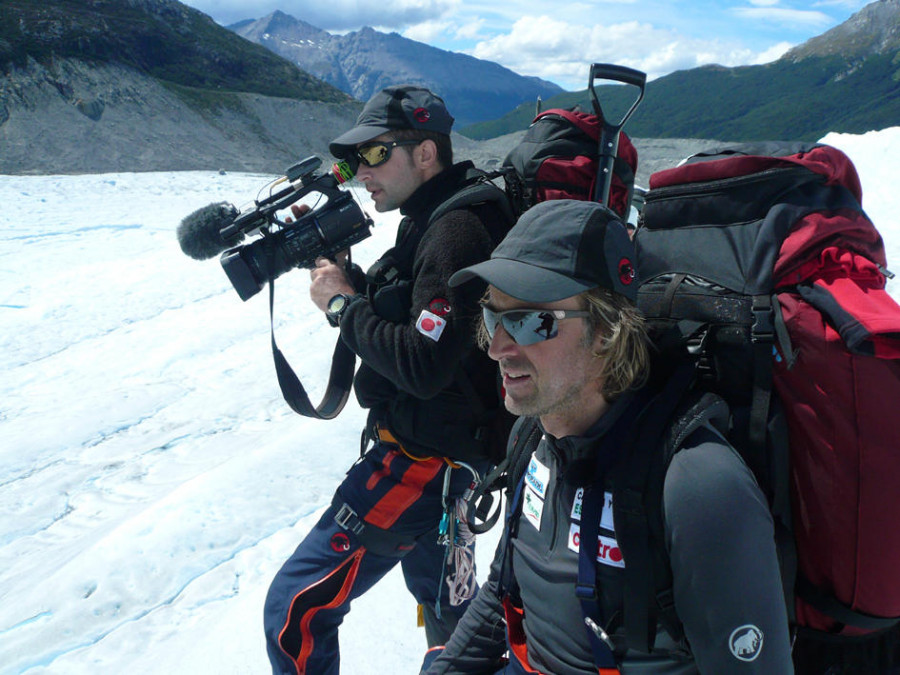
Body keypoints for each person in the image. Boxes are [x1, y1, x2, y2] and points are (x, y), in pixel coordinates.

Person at [424, 199, 793, 674]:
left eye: (531, 321)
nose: (496, 347)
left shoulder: (696, 485)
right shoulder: (531, 439)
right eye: (494, 317)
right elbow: (503, 590)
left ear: (605, 330)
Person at [263, 85, 512, 674]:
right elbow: (418, 317)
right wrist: (351, 284)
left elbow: (424, 366)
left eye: (374, 156)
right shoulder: (438, 216)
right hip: (452, 461)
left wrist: (342, 310)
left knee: (294, 608)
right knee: (445, 610)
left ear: (426, 153)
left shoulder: (456, 232)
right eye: (351, 162)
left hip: (424, 462)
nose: (359, 175)